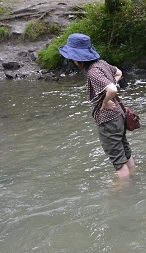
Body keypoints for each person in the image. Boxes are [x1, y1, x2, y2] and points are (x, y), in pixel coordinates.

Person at [59, 33, 135, 178]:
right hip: (119, 115)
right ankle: (133, 176)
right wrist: (110, 87)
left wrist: (105, 102)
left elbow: (112, 89)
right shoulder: (101, 63)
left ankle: (124, 190)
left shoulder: (93, 73)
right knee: (125, 151)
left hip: (108, 121)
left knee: (118, 161)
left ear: (77, 58)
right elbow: (119, 73)